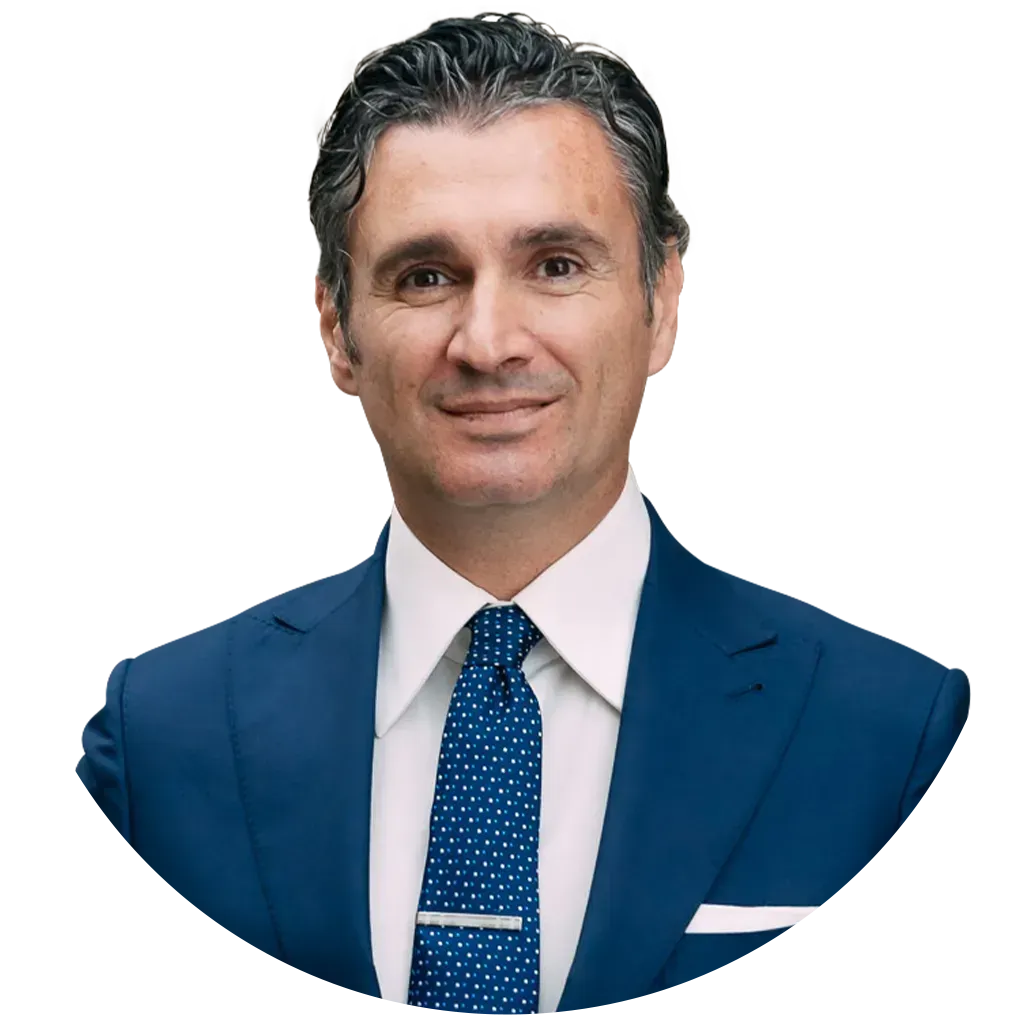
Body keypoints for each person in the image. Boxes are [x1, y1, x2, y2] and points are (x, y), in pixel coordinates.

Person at [75, 11, 975, 1015]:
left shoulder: (893, 736)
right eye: (425, 276)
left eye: (554, 265)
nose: (488, 341)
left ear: (662, 302)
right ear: (335, 328)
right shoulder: (160, 738)